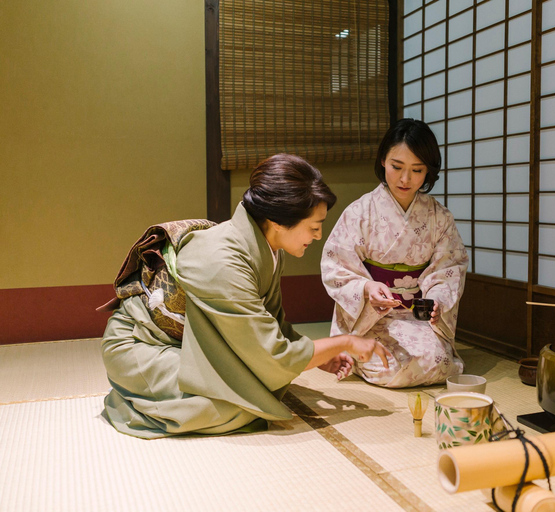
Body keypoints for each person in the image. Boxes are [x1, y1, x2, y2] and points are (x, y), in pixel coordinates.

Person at [100, 154, 390, 439]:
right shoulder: (224, 261)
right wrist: (346, 341)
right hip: (142, 346)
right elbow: (271, 357)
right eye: (314, 227)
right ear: (278, 221)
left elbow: (271, 327)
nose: (318, 236)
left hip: (188, 345)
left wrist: (318, 355)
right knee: (239, 406)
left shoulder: (269, 247)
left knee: (257, 392)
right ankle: (130, 401)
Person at [321, 119, 469, 388]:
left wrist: (436, 301)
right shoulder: (360, 212)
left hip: (415, 315)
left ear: (429, 171)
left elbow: (450, 267)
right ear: (382, 161)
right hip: (371, 316)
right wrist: (366, 287)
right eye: (396, 167)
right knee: (390, 365)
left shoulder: (439, 217)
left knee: (437, 361)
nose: (405, 179)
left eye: (417, 170)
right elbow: (335, 265)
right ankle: (354, 350)